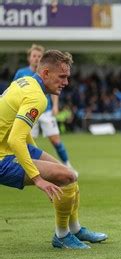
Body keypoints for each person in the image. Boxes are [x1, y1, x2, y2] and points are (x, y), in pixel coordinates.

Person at [0, 50, 107, 249]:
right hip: (3, 156)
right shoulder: (38, 98)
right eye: (62, 76)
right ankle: (62, 235)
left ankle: (75, 229)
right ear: (46, 73)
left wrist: (35, 151)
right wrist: (38, 179)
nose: (66, 82)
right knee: (66, 176)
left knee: (70, 175)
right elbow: (16, 138)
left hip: (8, 146)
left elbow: (16, 127)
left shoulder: (24, 81)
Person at [14, 44, 78, 176]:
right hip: (28, 111)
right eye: (34, 56)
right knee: (28, 140)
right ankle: (31, 169)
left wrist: (55, 106)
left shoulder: (49, 74)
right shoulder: (22, 73)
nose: (36, 58)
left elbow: (55, 90)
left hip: (46, 111)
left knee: (55, 140)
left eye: (39, 56)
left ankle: (67, 165)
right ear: (29, 58)